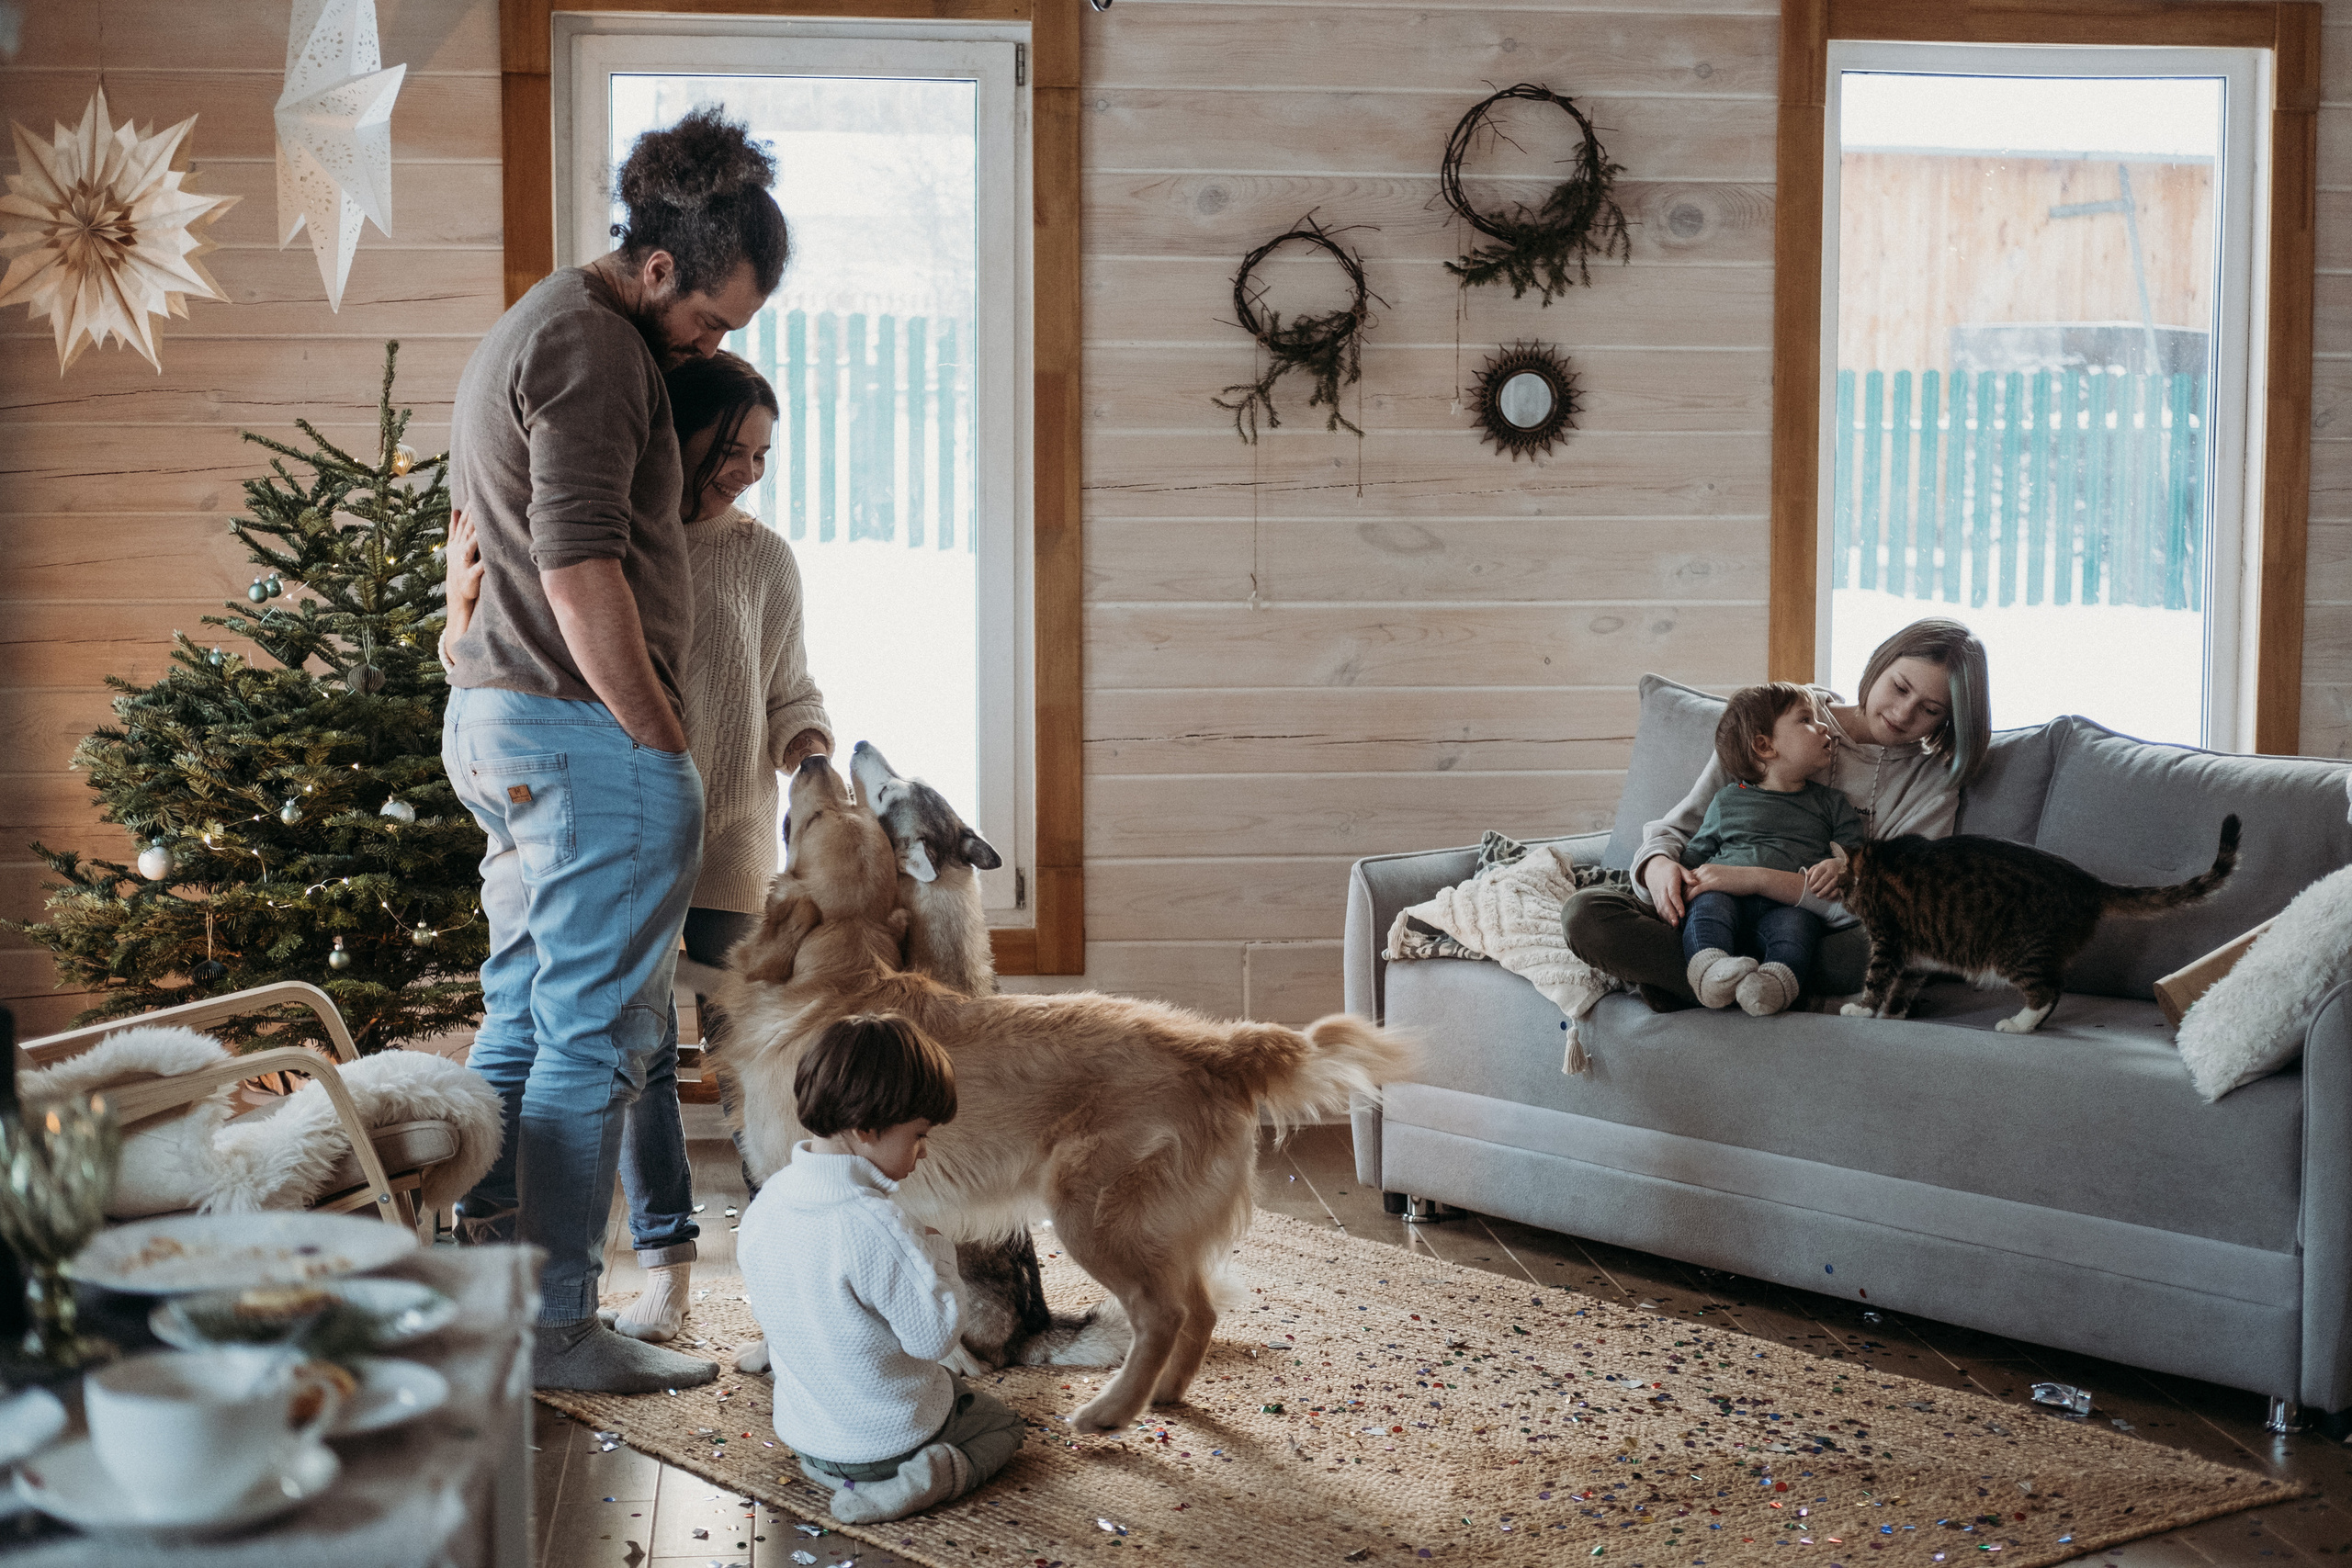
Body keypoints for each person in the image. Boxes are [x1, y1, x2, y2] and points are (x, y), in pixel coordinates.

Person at [438, 106, 787, 1392]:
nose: (711, 346)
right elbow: (580, 558)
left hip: (504, 718)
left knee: (526, 1015)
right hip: (578, 733)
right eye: (712, 320)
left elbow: (482, 529)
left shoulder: (537, 324)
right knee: (587, 1034)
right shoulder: (595, 347)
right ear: (656, 271)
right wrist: (660, 734)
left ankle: (498, 1292)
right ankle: (560, 1327)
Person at [444, 350, 832, 1344]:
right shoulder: (608, 546)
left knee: (752, 1061)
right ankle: (666, 1269)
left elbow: (789, 683)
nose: (746, 470)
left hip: (733, 843)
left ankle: (794, 1264)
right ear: (680, 437)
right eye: (731, 449)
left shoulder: (762, 558)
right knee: (643, 1056)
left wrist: (812, 751)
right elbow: (498, 657)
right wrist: (454, 620)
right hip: (623, 833)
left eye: (761, 454)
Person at [1566, 617, 1992, 1008]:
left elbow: (1897, 907)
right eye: (1900, 688)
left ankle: (1693, 984)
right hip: (1713, 909)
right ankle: (1765, 992)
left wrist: (1759, 879)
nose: (1903, 713)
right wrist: (1659, 868)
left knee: (1896, 952)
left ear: (1948, 720)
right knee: (1587, 915)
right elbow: (1685, 827)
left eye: (1931, 710)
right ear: (1880, 664)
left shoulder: (1933, 783)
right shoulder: (1779, 715)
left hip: (1815, 932)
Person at [740, 1014, 1025, 1525]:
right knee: (1001, 1425)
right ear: (866, 1129)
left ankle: (834, 1471)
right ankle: (919, 1480)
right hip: (882, 1446)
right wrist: (941, 1257)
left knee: (939, 1394)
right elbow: (933, 1340)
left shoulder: (771, 1199)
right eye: (918, 1135)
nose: (922, 1151)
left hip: (806, 1435)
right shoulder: (878, 1223)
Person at [1676, 682, 1865, 1016]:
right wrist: (1674, 881)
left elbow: (1856, 855)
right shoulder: (1728, 799)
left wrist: (1839, 866)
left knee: (1797, 928)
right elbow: (1696, 853)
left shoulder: (1831, 803)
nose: (1824, 727)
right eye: (1806, 719)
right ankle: (1711, 969)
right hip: (1725, 895)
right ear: (1764, 746)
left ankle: (1772, 986)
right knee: (1707, 906)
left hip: (1788, 903)